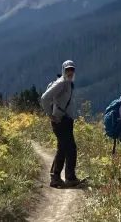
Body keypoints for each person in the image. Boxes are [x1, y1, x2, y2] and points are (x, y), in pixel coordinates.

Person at [41, 60, 83, 188]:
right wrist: (50, 115)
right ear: (63, 70)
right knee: (69, 149)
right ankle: (65, 178)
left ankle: (59, 177)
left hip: (65, 120)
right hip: (61, 120)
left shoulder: (68, 84)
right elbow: (45, 97)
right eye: (67, 70)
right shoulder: (62, 83)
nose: (70, 72)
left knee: (64, 149)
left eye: (72, 69)